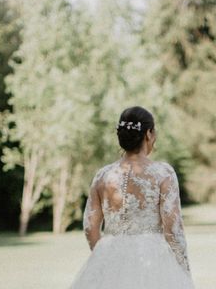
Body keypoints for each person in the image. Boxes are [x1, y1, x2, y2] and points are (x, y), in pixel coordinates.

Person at [69, 106, 194, 289]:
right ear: (149, 134)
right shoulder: (163, 174)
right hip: (152, 262)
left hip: (109, 257)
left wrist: (103, 258)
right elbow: (173, 229)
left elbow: (90, 226)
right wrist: (183, 270)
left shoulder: (102, 176)